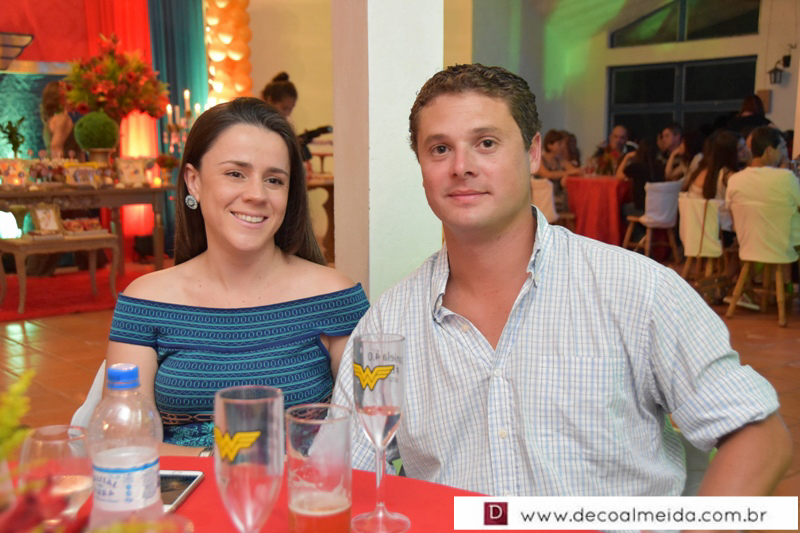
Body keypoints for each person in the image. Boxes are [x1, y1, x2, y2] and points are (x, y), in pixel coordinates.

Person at [331, 64, 791, 497]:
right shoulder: (389, 324)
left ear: (532, 153)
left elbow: (758, 435)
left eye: (486, 143)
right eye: (439, 149)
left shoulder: (638, 290)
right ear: (421, 166)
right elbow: (347, 473)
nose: (461, 166)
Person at [106, 98, 369, 455]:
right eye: (235, 174)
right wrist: (235, 461)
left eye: (274, 180)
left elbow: (366, 432)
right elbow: (124, 442)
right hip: (182, 489)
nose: (257, 194)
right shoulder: (146, 301)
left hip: (301, 488)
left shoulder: (334, 296)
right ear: (194, 182)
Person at [726, 126, 800, 252]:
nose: (784, 153)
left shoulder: (734, 180)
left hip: (749, 247)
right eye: (782, 147)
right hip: (785, 247)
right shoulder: (785, 177)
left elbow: (731, 216)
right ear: (769, 151)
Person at [532, 129, 580, 211]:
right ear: (549, 146)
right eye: (559, 144)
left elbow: (575, 171)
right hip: (544, 200)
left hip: (558, 198)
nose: (562, 147)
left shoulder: (559, 160)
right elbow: (547, 174)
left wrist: (569, 174)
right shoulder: (540, 160)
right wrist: (567, 173)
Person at [40, 80, 80, 159]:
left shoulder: (52, 118)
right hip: (65, 165)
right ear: (61, 98)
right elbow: (55, 147)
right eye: (68, 93)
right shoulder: (62, 118)